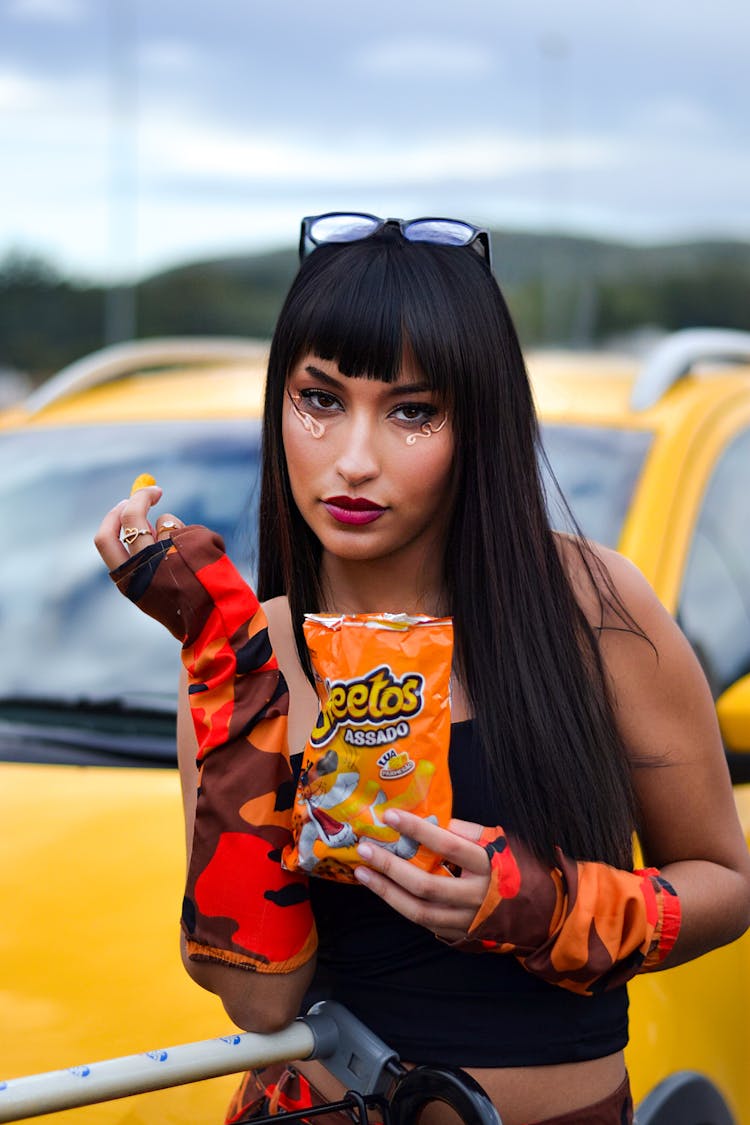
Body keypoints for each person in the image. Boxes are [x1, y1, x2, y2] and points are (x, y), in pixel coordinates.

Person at [95, 213, 750, 1125]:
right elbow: (259, 1000)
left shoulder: (592, 606)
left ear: (475, 423)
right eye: (320, 399)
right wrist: (221, 651)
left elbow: (725, 882)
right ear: (279, 403)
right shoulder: (255, 642)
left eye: (413, 411)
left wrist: (545, 904)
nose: (353, 460)